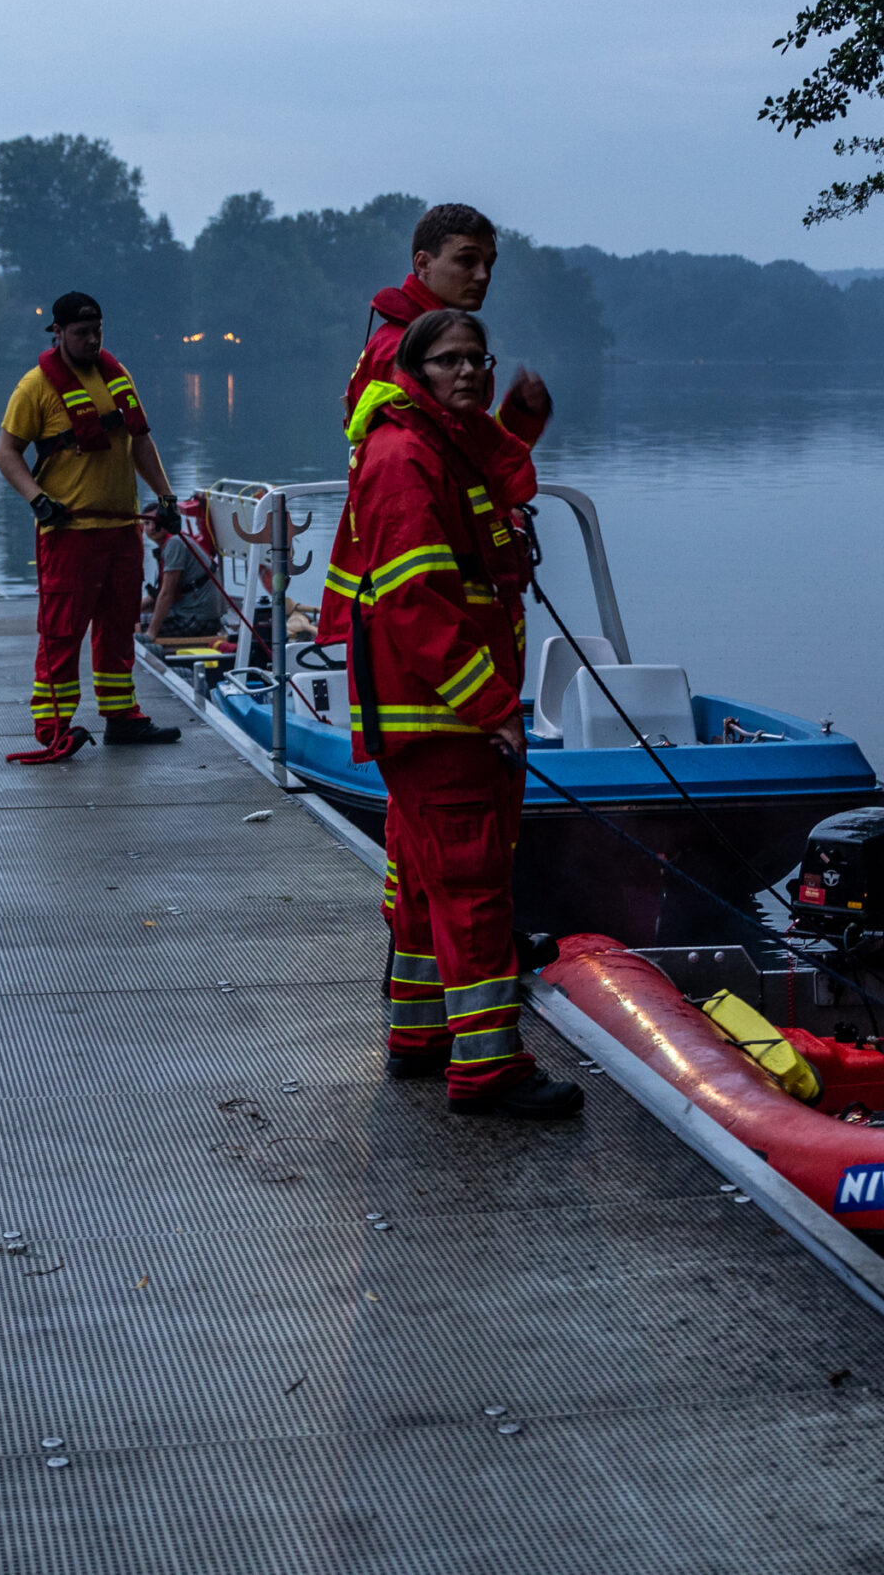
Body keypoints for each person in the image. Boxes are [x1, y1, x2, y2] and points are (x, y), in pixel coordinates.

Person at [332, 307, 581, 1121]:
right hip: (443, 718)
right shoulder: (405, 455)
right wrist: (493, 707)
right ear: (416, 368)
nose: (468, 372)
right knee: (474, 887)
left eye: (477, 358)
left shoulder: (440, 441)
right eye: (449, 360)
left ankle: (420, 1033)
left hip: (428, 717)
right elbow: (417, 602)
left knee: (423, 883)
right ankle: (489, 1069)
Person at [318, 203, 550, 650]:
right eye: (467, 260)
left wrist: (518, 418)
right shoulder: (399, 352)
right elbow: (420, 470)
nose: (482, 275)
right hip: (419, 576)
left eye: (489, 264)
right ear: (423, 264)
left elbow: (467, 454)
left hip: (452, 568)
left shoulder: (438, 345)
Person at [0, 291, 184, 760]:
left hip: (123, 531)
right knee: (61, 633)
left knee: (119, 626)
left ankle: (122, 718)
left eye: (97, 330)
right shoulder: (35, 387)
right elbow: (6, 453)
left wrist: (165, 495)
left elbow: (140, 442)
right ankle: (52, 729)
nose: (91, 339)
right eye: (80, 332)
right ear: (56, 333)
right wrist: (38, 501)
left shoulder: (116, 378)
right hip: (69, 536)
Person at [142, 495, 224, 641]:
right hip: (193, 613)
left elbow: (167, 594)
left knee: (132, 625)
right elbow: (157, 594)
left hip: (198, 620)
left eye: (156, 522)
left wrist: (150, 634)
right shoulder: (170, 543)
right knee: (135, 615)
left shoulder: (174, 544)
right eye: (147, 523)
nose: (152, 527)